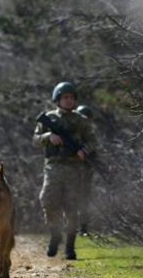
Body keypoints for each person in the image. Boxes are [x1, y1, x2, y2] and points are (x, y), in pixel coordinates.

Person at [32, 82, 96, 261]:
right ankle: (55, 234)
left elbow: (92, 141)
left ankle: (70, 247)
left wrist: (85, 150)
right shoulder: (49, 118)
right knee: (48, 200)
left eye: (71, 97)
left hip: (75, 168)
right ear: (58, 99)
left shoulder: (81, 120)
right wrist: (48, 137)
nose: (69, 100)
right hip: (53, 167)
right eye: (65, 97)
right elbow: (35, 139)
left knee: (71, 208)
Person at [75, 104, 94, 236]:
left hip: (85, 172)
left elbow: (95, 151)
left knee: (84, 201)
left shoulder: (90, 136)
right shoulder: (73, 133)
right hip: (71, 171)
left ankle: (83, 228)